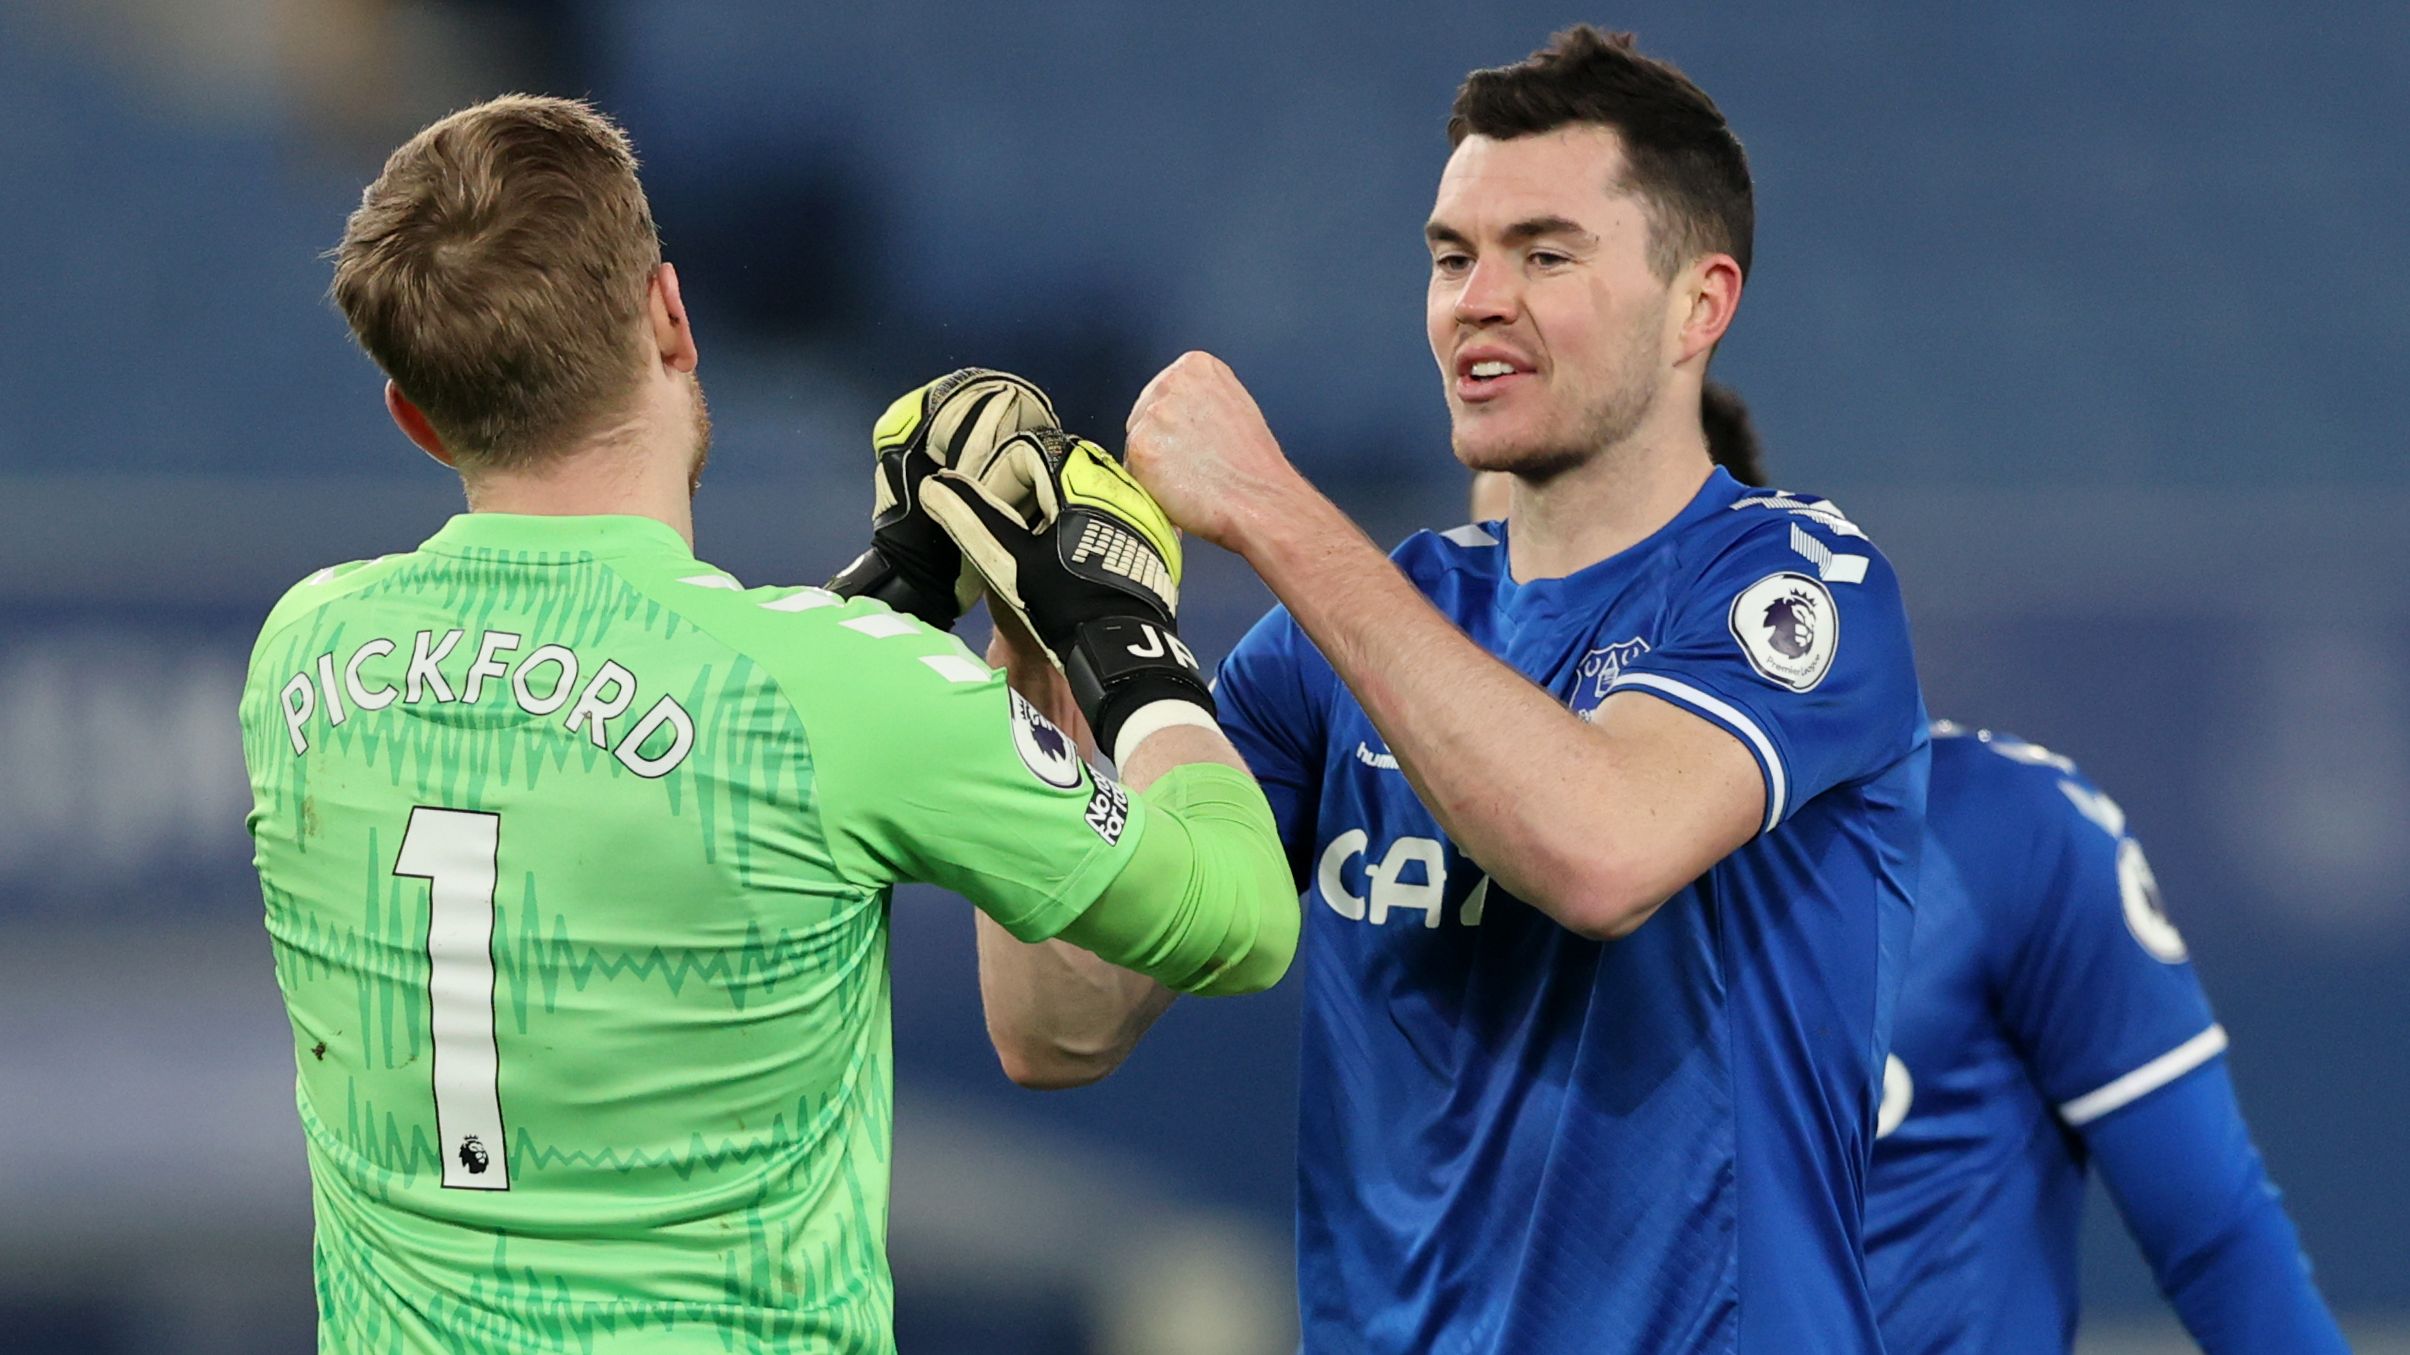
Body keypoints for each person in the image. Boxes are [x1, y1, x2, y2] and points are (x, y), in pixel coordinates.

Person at [238, 95, 1296, 1353]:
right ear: (671, 316)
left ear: (417, 417)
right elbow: (1241, 913)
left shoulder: (302, 655)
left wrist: (896, 592)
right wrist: (1120, 636)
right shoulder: (829, 695)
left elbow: (621, 739)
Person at [963, 27, 1930, 1352]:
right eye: (1450, 256)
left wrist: (1268, 506)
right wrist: (1037, 651)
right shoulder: (1340, 646)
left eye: (1544, 252)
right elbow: (1058, 1021)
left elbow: (1600, 848)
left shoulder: (1797, 589)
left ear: (1699, 303)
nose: (1478, 297)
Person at [1477, 394, 2350, 1352]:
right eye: (1492, 565)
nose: (1506, 618)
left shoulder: (2009, 838)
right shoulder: (1459, 892)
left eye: (1556, 564)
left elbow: (2218, 1237)